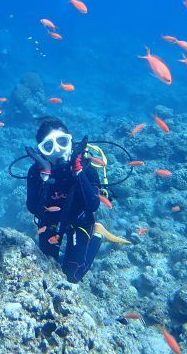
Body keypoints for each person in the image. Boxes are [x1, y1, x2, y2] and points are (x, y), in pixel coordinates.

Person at [25, 117, 113, 283]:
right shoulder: (36, 172)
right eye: (49, 146)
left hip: (80, 221)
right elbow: (33, 208)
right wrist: (44, 177)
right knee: (45, 269)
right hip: (49, 223)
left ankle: (98, 235)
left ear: (71, 142)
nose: (58, 150)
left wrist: (78, 170)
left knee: (72, 276)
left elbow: (93, 205)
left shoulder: (87, 169)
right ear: (42, 152)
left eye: (62, 142)